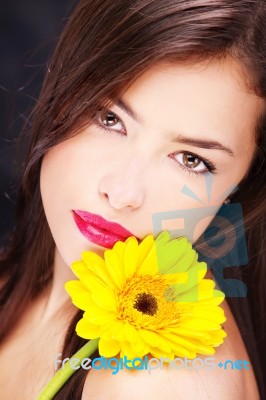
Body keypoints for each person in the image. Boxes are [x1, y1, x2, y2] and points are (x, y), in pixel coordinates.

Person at [0, 0, 265, 398]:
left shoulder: (151, 383)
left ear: (242, 187)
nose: (122, 192)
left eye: (192, 160)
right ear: (61, 88)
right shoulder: (22, 280)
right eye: (109, 119)